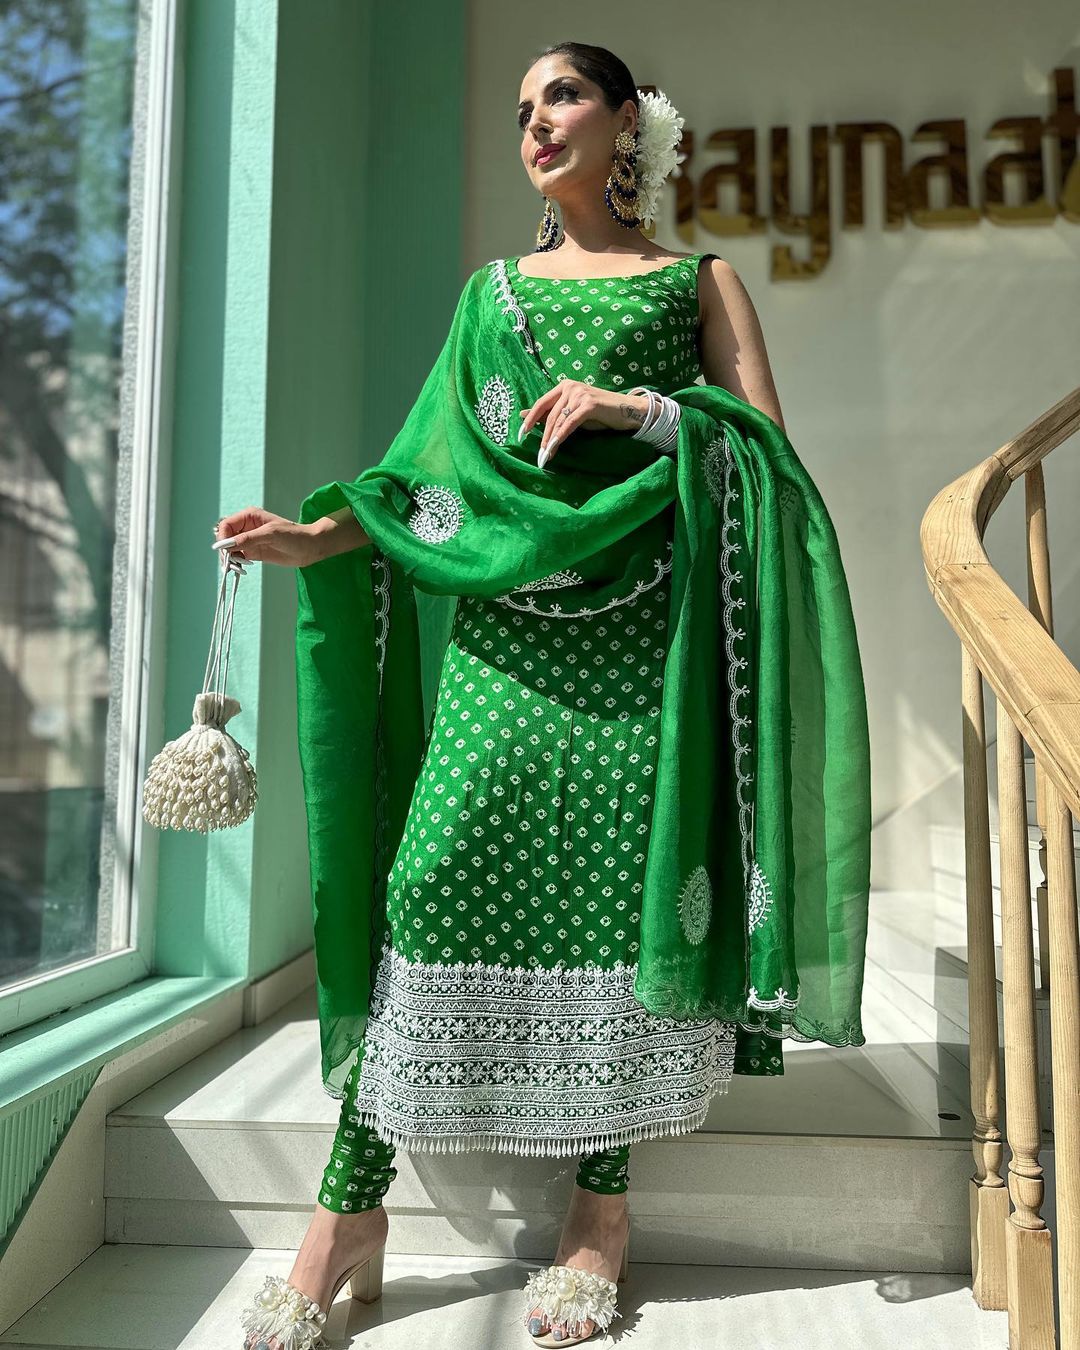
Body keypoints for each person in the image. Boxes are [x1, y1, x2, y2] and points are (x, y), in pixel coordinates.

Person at [229, 41, 871, 1350]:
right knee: (427, 882)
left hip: (644, 660)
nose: (536, 123)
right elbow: (425, 475)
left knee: (610, 908)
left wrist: (643, 410)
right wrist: (316, 542)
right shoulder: (492, 296)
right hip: (507, 651)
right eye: (522, 109)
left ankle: (600, 1212)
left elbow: (769, 463)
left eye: (563, 98)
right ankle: (350, 1208)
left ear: (628, 120)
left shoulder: (698, 281)